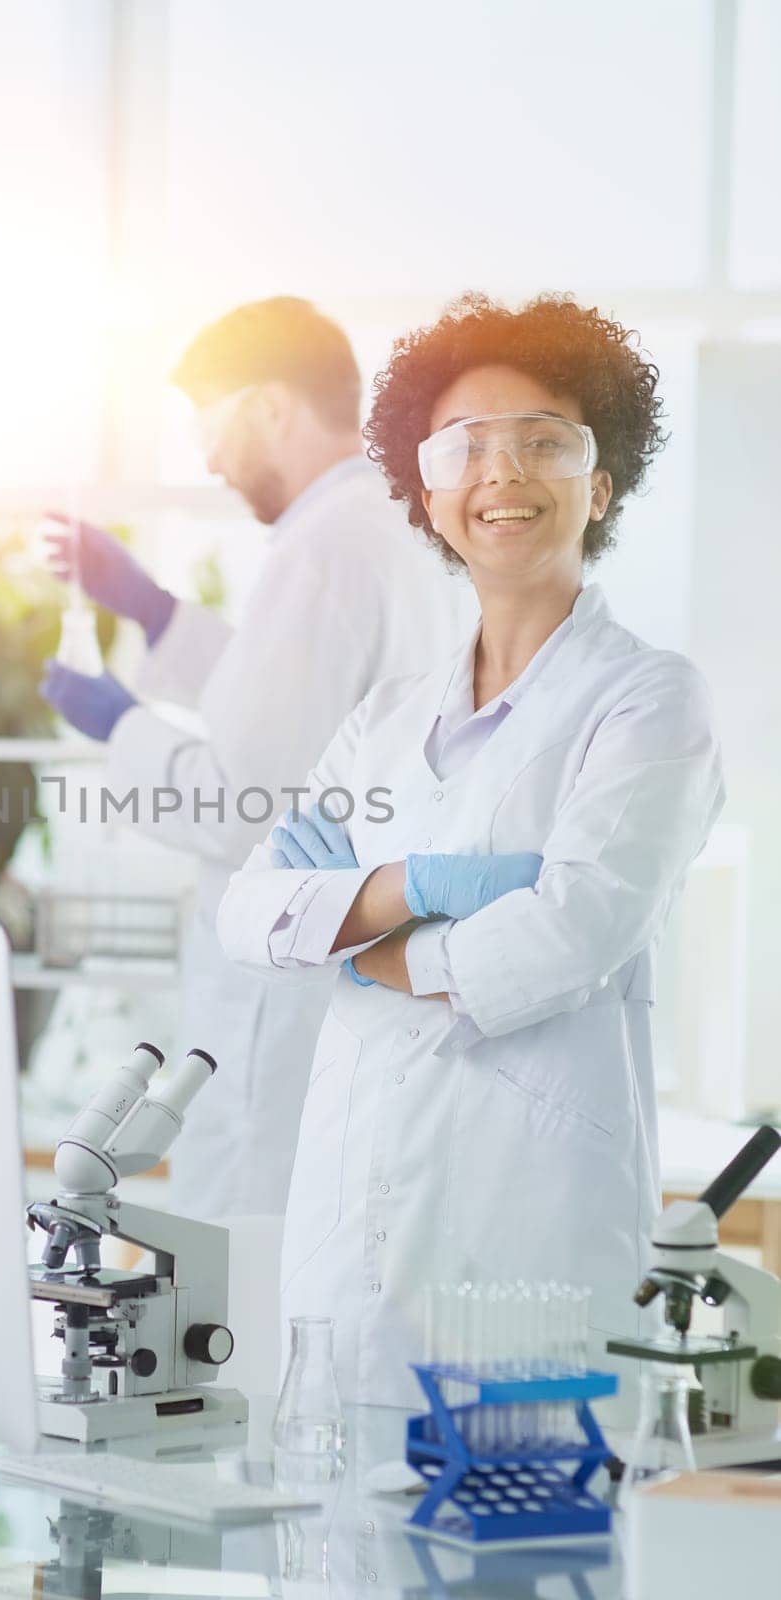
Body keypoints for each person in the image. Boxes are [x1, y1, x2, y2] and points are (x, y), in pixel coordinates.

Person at [216, 293, 725, 1408]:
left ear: (599, 485)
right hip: (342, 1231)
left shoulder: (646, 701)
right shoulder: (385, 720)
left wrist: (353, 939)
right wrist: (410, 893)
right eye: (466, 449)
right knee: (330, 1548)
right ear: (428, 495)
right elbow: (246, 909)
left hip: (525, 1242)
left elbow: (567, 933)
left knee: (517, 1559)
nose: (505, 472)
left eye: (546, 442)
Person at [38, 297, 463, 1218]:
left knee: (245, 1239)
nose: (208, 459)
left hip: (286, 984)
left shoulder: (326, 546)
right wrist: (156, 614)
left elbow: (245, 800)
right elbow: (295, 711)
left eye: (212, 424)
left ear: (273, 407)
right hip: (342, 958)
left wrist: (122, 728)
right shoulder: (377, 525)